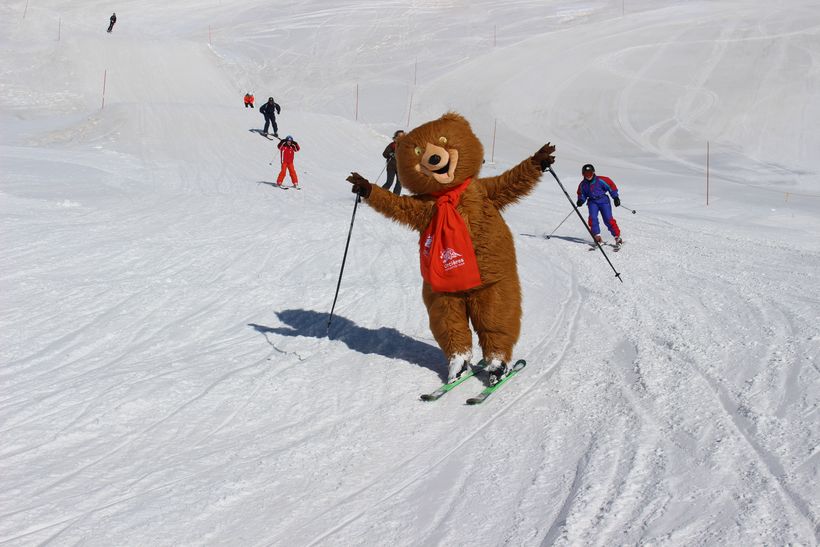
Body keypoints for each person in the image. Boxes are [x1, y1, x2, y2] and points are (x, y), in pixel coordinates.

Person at [576, 163, 623, 245]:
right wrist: (581, 200)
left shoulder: (601, 180)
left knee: (608, 219)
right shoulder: (583, 184)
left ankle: (617, 236)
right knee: (592, 218)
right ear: (583, 174)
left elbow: (611, 187)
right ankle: (597, 236)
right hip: (592, 202)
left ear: (593, 172)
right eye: (586, 174)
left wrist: (615, 197)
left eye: (590, 173)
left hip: (603, 201)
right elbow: (582, 194)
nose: (588, 176)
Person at [381, 130, 405, 194]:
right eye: (399, 136)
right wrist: (391, 154)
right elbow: (384, 154)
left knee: (399, 184)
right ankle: (380, 194)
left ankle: (395, 199)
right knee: (389, 182)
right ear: (396, 137)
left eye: (402, 136)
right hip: (391, 167)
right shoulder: (392, 145)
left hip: (400, 168)